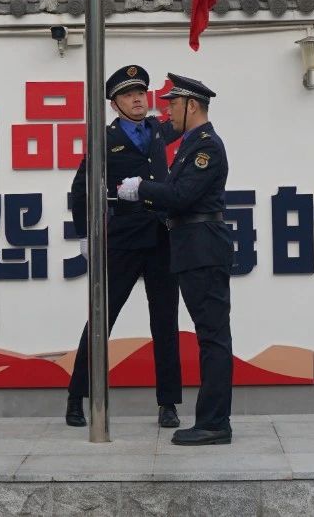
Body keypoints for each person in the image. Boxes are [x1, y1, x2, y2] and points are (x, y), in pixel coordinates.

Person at [117, 73, 232, 446]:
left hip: (202, 248)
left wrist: (142, 189)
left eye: (173, 104)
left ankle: (214, 423)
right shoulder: (189, 144)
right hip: (193, 247)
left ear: (192, 106)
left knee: (213, 337)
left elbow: (181, 195)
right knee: (208, 336)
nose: (167, 111)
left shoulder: (206, 146)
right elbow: (172, 194)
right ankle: (212, 420)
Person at [65, 65, 183, 429]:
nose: (137, 100)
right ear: (114, 104)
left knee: (166, 321)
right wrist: (85, 233)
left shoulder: (159, 130)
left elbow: (188, 120)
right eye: (128, 95)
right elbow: (81, 188)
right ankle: (76, 396)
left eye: (141, 93)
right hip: (123, 239)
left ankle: (168, 403)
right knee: (102, 318)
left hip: (161, 237)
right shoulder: (105, 138)